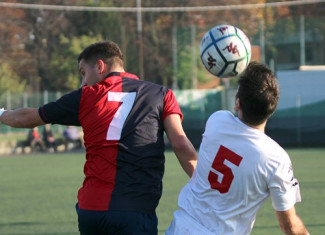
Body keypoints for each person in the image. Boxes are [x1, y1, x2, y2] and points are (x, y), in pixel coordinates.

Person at [0, 40, 197, 234]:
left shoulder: (86, 97)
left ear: (100, 66)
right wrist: (205, 183)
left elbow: (25, 118)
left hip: (91, 211)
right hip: (135, 209)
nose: (83, 82)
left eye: (84, 72)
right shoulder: (161, 94)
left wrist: (1, 112)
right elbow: (179, 143)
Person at [166, 62, 309, 235]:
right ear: (272, 107)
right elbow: (290, 227)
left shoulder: (217, 121)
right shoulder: (276, 158)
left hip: (181, 227)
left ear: (237, 103)